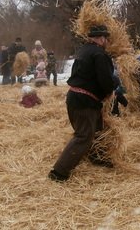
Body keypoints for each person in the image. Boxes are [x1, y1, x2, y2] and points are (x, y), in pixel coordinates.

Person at [49, 25, 117, 182]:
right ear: (101, 38)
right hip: (84, 101)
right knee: (84, 135)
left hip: (77, 97)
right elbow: (105, 79)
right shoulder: (99, 54)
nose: (107, 41)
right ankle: (59, 172)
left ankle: (97, 156)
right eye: (106, 38)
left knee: (98, 129)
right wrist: (112, 86)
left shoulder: (84, 50)